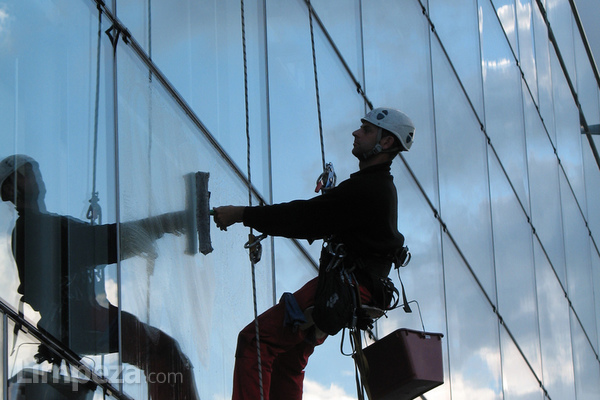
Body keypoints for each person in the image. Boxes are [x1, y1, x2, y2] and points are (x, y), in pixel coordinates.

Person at [213, 107, 416, 400]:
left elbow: (305, 217)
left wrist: (241, 214)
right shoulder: (376, 188)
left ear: (385, 143)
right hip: (350, 294)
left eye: (366, 130)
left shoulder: (370, 189)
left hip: (343, 289)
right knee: (289, 361)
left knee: (255, 340)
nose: (356, 133)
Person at [0, 154, 200, 400]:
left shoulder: (44, 225)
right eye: (26, 174)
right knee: (165, 354)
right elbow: (102, 242)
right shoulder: (33, 229)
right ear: (9, 190)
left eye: (34, 172)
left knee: (166, 353)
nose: (36, 177)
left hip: (78, 317)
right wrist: (170, 224)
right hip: (77, 317)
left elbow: (100, 241)